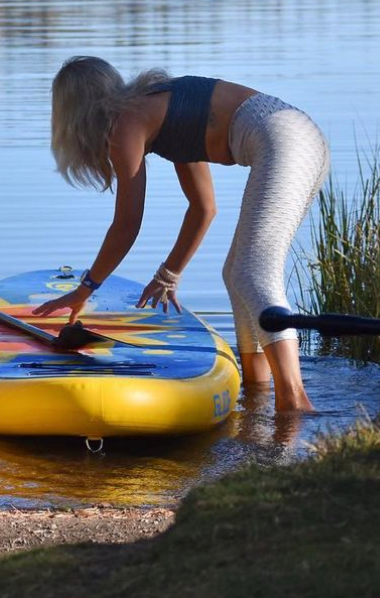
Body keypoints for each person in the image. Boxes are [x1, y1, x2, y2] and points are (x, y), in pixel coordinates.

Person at [33, 56, 330, 413]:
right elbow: (203, 207)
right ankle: (258, 396)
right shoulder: (161, 110)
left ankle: (294, 401)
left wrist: (86, 287)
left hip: (282, 139)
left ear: (74, 112)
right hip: (298, 134)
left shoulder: (125, 124)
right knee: (236, 274)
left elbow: (127, 223)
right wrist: (169, 274)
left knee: (251, 273)